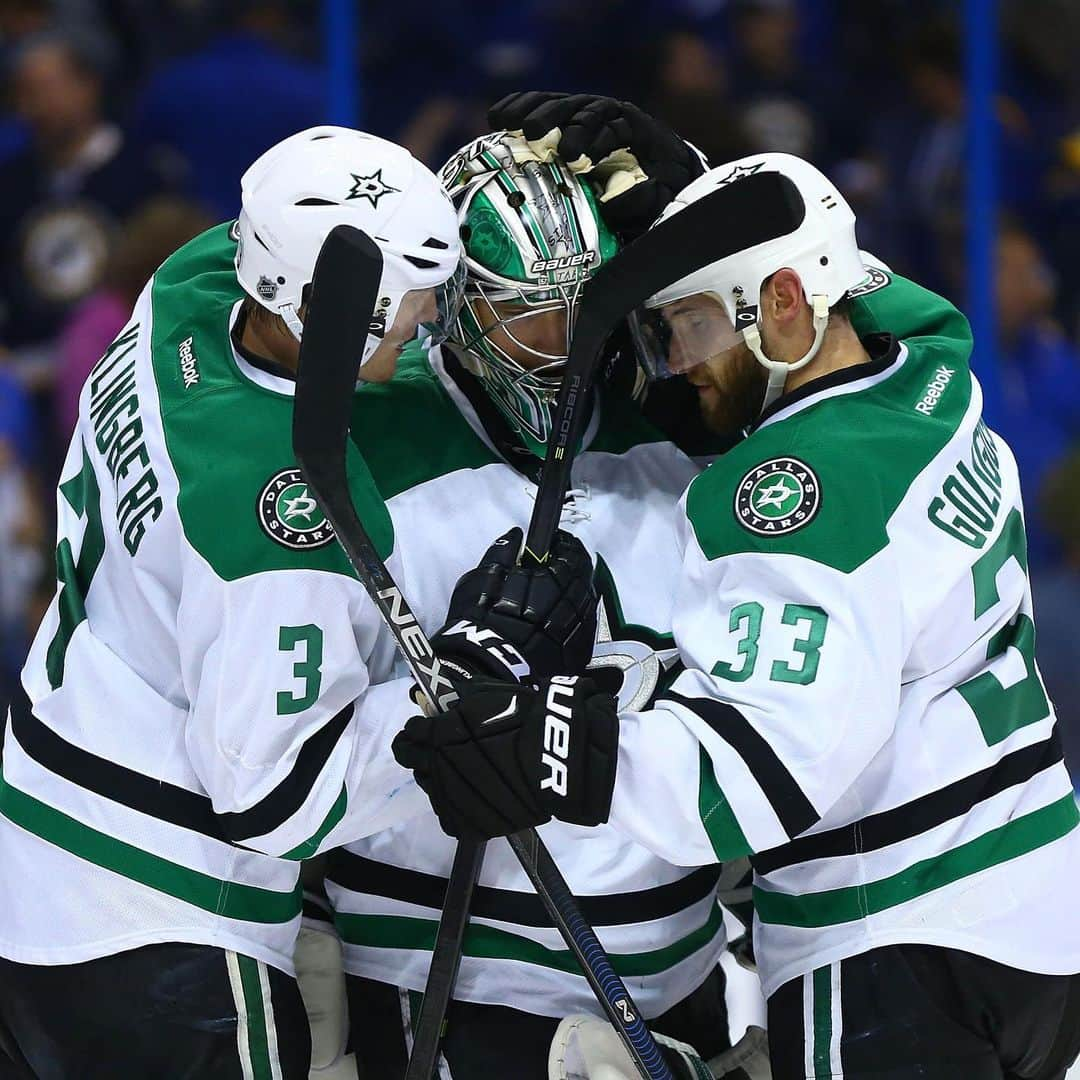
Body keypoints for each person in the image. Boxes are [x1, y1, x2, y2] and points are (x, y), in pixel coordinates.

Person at [392, 111, 1080, 1079]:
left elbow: (750, 772)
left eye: (694, 325)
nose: (676, 368)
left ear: (790, 305)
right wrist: (697, 199)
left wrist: (536, 737)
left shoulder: (786, 497)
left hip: (894, 951)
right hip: (1041, 924)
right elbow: (884, 294)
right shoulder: (934, 392)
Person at [0, 124, 462, 1078]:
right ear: (343, 311)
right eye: (413, 301)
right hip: (154, 926)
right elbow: (279, 796)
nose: (428, 320)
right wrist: (460, 681)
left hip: (34, 853)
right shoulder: (277, 517)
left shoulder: (189, 287)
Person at [320, 129, 754, 1079]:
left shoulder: (684, 430)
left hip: (677, 966)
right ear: (456, 305)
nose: (565, 347)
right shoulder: (365, 447)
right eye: (530, 315)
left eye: (584, 305)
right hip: (437, 970)